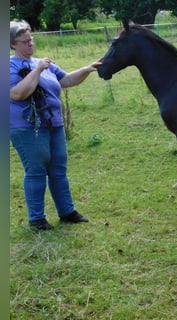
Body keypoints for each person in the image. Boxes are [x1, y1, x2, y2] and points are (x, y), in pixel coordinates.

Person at [10, 20, 102, 230]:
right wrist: (37, 70)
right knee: (35, 171)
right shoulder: (10, 66)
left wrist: (87, 69)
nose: (30, 44)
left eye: (31, 39)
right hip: (26, 127)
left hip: (53, 124)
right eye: (24, 42)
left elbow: (67, 79)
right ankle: (37, 219)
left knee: (58, 169)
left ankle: (67, 211)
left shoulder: (42, 63)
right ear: (13, 45)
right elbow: (17, 93)